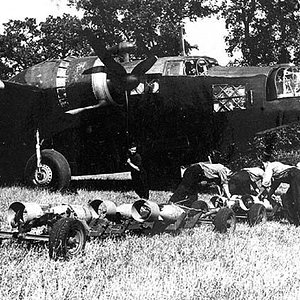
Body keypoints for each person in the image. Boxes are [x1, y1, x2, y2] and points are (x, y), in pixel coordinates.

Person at [259, 153, 300, 226]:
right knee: (287, 199)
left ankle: (297, 221)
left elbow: (266, 182)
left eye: (262, 166)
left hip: (295, 175)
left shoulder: (269, 166)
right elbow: (274, 186)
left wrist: (258, 196)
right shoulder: (278, 171)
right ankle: (295, 222)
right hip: (295, 176)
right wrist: (268, 196)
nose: (262, 168)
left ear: (265, 162)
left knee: (297, 199)